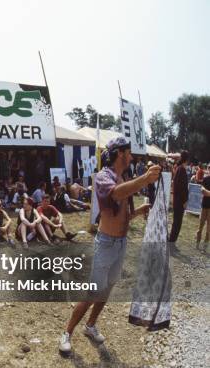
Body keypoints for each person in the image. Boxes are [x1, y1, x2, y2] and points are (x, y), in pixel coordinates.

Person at [59, 136, 160, 355]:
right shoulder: (104, 177)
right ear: (120, 154)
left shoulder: (123, 176)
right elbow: (116, 194)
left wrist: (138, 212)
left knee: (106, 290)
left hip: (120, 243)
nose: (132, 157)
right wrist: (144, 179)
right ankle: (67, 333)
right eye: (129, 153)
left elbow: (122, 215)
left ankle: (90, 325)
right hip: (105, 244)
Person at [169, 151, 189, 244]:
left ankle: (172, 240)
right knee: (177, 222)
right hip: (180, 200)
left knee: (176, 221)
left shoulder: (179, 169)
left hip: (177, 199)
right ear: (187, 159)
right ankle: (172, 241)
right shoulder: (182, 169)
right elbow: (183, 188)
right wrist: (185, 201)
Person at [196, 164, 210, 252]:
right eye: (209, 168)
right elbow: (202, 191)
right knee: (200, 226)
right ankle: (197, 243)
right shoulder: (205, 179)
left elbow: (205, 191)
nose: (209, 169)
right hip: (204, 205)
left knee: (209, 229)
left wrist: (206, 192)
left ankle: (205, 246)